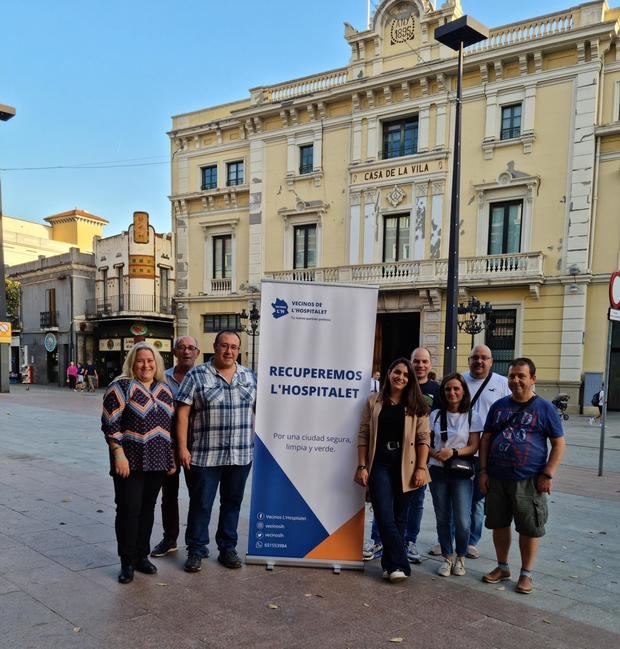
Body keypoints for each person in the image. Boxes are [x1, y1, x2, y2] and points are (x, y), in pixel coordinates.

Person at [480, 357, 566, 594]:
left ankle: (526, 574)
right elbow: (486, 439)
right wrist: (484, 471)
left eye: (521, 376)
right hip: (497, 477)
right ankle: (502, 567)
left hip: (528, 479)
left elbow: (558, 444)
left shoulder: (545, 409)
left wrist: (547, 474)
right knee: (499, 524)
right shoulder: (499, 407)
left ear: (533, 379)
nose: (515, 380)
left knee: (529, 527)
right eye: (512, 376)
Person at [176, 330, 257, 573]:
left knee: (232, 504)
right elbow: (182, 414)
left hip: (240, 454)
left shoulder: (249, 376)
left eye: (234, 347)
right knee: (201, 504)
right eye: (224, 345)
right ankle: (196, 550)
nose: (229, 351)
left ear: (238, 350)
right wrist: (182, 448)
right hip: (205, 454)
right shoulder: (197, 375)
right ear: (215, 346)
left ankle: (227, 548)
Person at [101, 342, 175, 584]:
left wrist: (170, 458)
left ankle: (142, 556)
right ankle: (127, 561)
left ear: (157, 363)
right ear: (132, 363)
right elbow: (110, 423)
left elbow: (168, 429)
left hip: (157, 461)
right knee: (128, 510)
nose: (146, 365)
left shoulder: (165, 389)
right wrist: (118, 454)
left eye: (150, 360)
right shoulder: (121, 386)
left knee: (147, 510)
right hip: (129, 462)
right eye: (141, 360)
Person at [355, 357, 430, 583]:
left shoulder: (418, 405)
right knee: (384, 515)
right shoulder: (373, 401)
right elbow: (363, 434)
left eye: (406, 375)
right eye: (397, 372)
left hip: (406, 464)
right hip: (380, 464)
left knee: (399, 517)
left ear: (411, 380)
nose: (401, 377)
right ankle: (402, 563)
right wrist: (362, 465)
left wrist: (421, 468)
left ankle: (391, 566)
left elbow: (423, 439)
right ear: (389, 374)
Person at [150, 336, 201, 559]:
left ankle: (196, 544)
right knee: (169, 494)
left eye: (191, 348)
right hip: (167, 446)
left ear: (197, 353)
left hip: (198, 446)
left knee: (198, 495)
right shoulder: (162, 379)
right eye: (181, 347)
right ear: (175, 352)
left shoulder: (204, 377)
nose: (186, 351)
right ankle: (170, 538)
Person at [428, 372, 483, 577]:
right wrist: (436, 454)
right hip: (438, 470)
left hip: (461, 473)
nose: (452, 392)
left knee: (462, 519)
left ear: (463, 391)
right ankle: (447, 557)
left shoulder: (472, 416)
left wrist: (453, 452)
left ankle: (461, 556)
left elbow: (474, 445)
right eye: (448, 389)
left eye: (456, 388)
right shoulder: (435, 416)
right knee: (443, 517)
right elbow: (426, 443)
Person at [462, 344, 510, 559]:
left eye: (484, 358)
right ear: (468, 360)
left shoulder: (502, 384)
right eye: (475, 357)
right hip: (460, 451)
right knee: (455, 497)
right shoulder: (459, 381)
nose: (479, 361)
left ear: (491, 361)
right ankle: (447, 538)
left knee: (477, 499)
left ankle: (472, 541)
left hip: (487, 454)